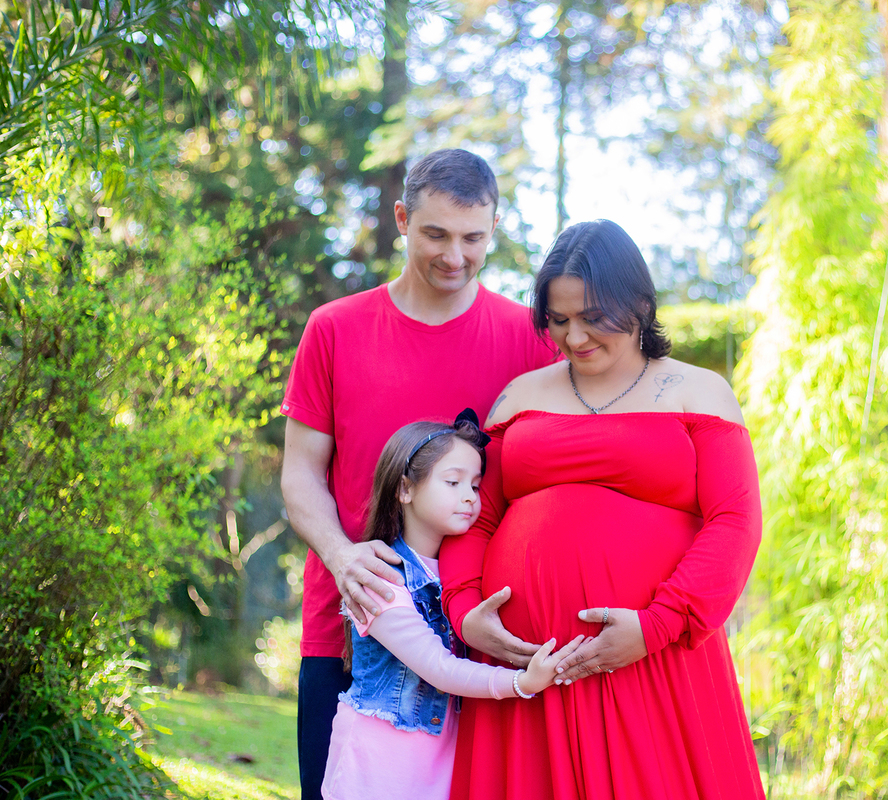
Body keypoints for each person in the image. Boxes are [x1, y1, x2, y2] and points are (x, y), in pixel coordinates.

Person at [441, 219, 766, 799]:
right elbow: (474, 516)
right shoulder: (520, 396)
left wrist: (657, 625)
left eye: (593, 317)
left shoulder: (697, 391)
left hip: (651, 657)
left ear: (638, 304)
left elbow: (735, 521)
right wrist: (466, 611)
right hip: (527, 671)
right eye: (558, 320)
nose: (575, 337)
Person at [280, 149, 558, 799]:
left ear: (494, 228)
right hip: (348, 628)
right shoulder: (333, 329)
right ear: (402, 219)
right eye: (435, 234)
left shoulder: (531, 340)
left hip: (480, 640)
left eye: (473, 238)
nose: (455, 256)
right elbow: (299, 476)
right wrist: (342, 556)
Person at [322, 413, 584, 800]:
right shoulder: (380, 579)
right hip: (378, 764)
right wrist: (522, 683)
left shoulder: (466, 579)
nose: (470, 497)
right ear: (405, 489)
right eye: (453, 482)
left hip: (442, 761)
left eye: (475, 485)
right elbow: (438, 668)